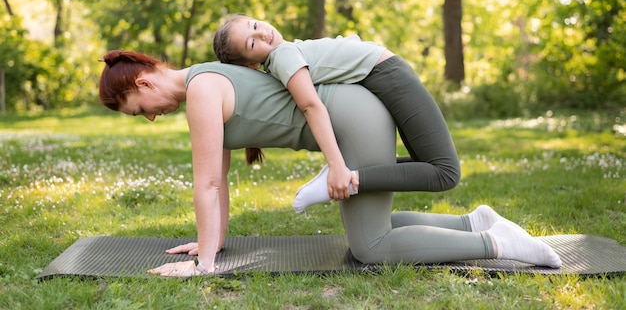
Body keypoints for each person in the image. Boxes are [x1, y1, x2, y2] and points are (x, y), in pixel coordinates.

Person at [98, 50, 562, 277]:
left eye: (141, 108)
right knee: (372, 227)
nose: (153, 116)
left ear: (141, 82)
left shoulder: (202, 89)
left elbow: (207, 186)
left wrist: (202, 265)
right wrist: (209, 244)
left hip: (353, 118)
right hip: (355, 115)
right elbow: (219, 182)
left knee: (371, 246)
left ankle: (492, 242)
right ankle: (471, 222)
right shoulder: (205, 80)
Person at [213, 15, 460, 212]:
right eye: (252, 42)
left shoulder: (285, 52)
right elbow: (311, 106)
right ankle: (348, 179)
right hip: (390, 75)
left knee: (432, 165)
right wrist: (336, 164)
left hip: (386, 76)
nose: (261, 32)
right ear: (251, 65)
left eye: (254, 25)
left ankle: (347, 174)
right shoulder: (283, 55)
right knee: (445, 172)